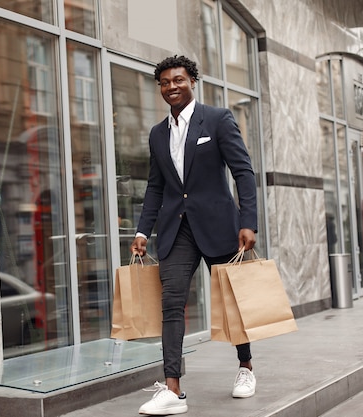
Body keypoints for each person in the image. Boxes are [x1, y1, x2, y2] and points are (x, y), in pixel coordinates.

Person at [131, 55, 258, 415]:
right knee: (171, 302)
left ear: (192, 82)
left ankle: (245, 367)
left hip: (219, 226)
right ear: (160, 88)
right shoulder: (158, 134)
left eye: (179, 80)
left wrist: (248, 221)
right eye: (166, 82)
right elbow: (156, 187)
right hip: (176, 229)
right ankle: (172, 388)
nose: (172, 86)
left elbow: (243, 173)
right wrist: (143, 230)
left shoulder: (217, 120)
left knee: (231, 301)